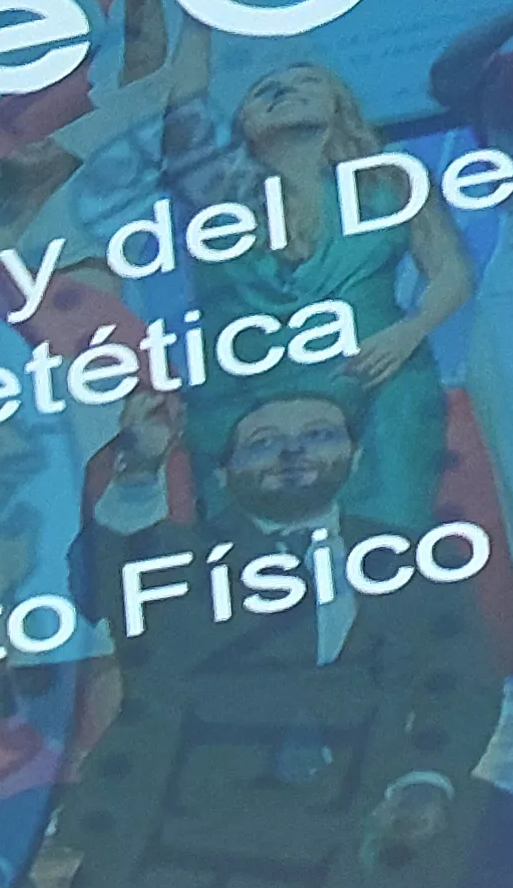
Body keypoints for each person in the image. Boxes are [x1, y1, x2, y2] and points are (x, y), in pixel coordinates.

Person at [45, 388, 501, 888]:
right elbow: (99, 587)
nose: (292, 452)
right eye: (264, 443)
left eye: (319, 435)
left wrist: (425, 780)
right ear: (223, 474)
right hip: (186, 824)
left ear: (355, 459)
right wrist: (140, 472)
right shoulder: (176, 560)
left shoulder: (413, 558)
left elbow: (462, 685)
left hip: (365, 815)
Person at [200, 62, 471, 538]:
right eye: (266, 86)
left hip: (377, 369)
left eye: (306, 82)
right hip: (250, 392)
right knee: (240, 541)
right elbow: (183, 102)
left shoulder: (392, 177)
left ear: (337, 104)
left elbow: (451, 273)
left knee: (389, 527)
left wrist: (409, 332)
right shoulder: (219, 200)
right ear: (244, 122)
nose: (285, 88)